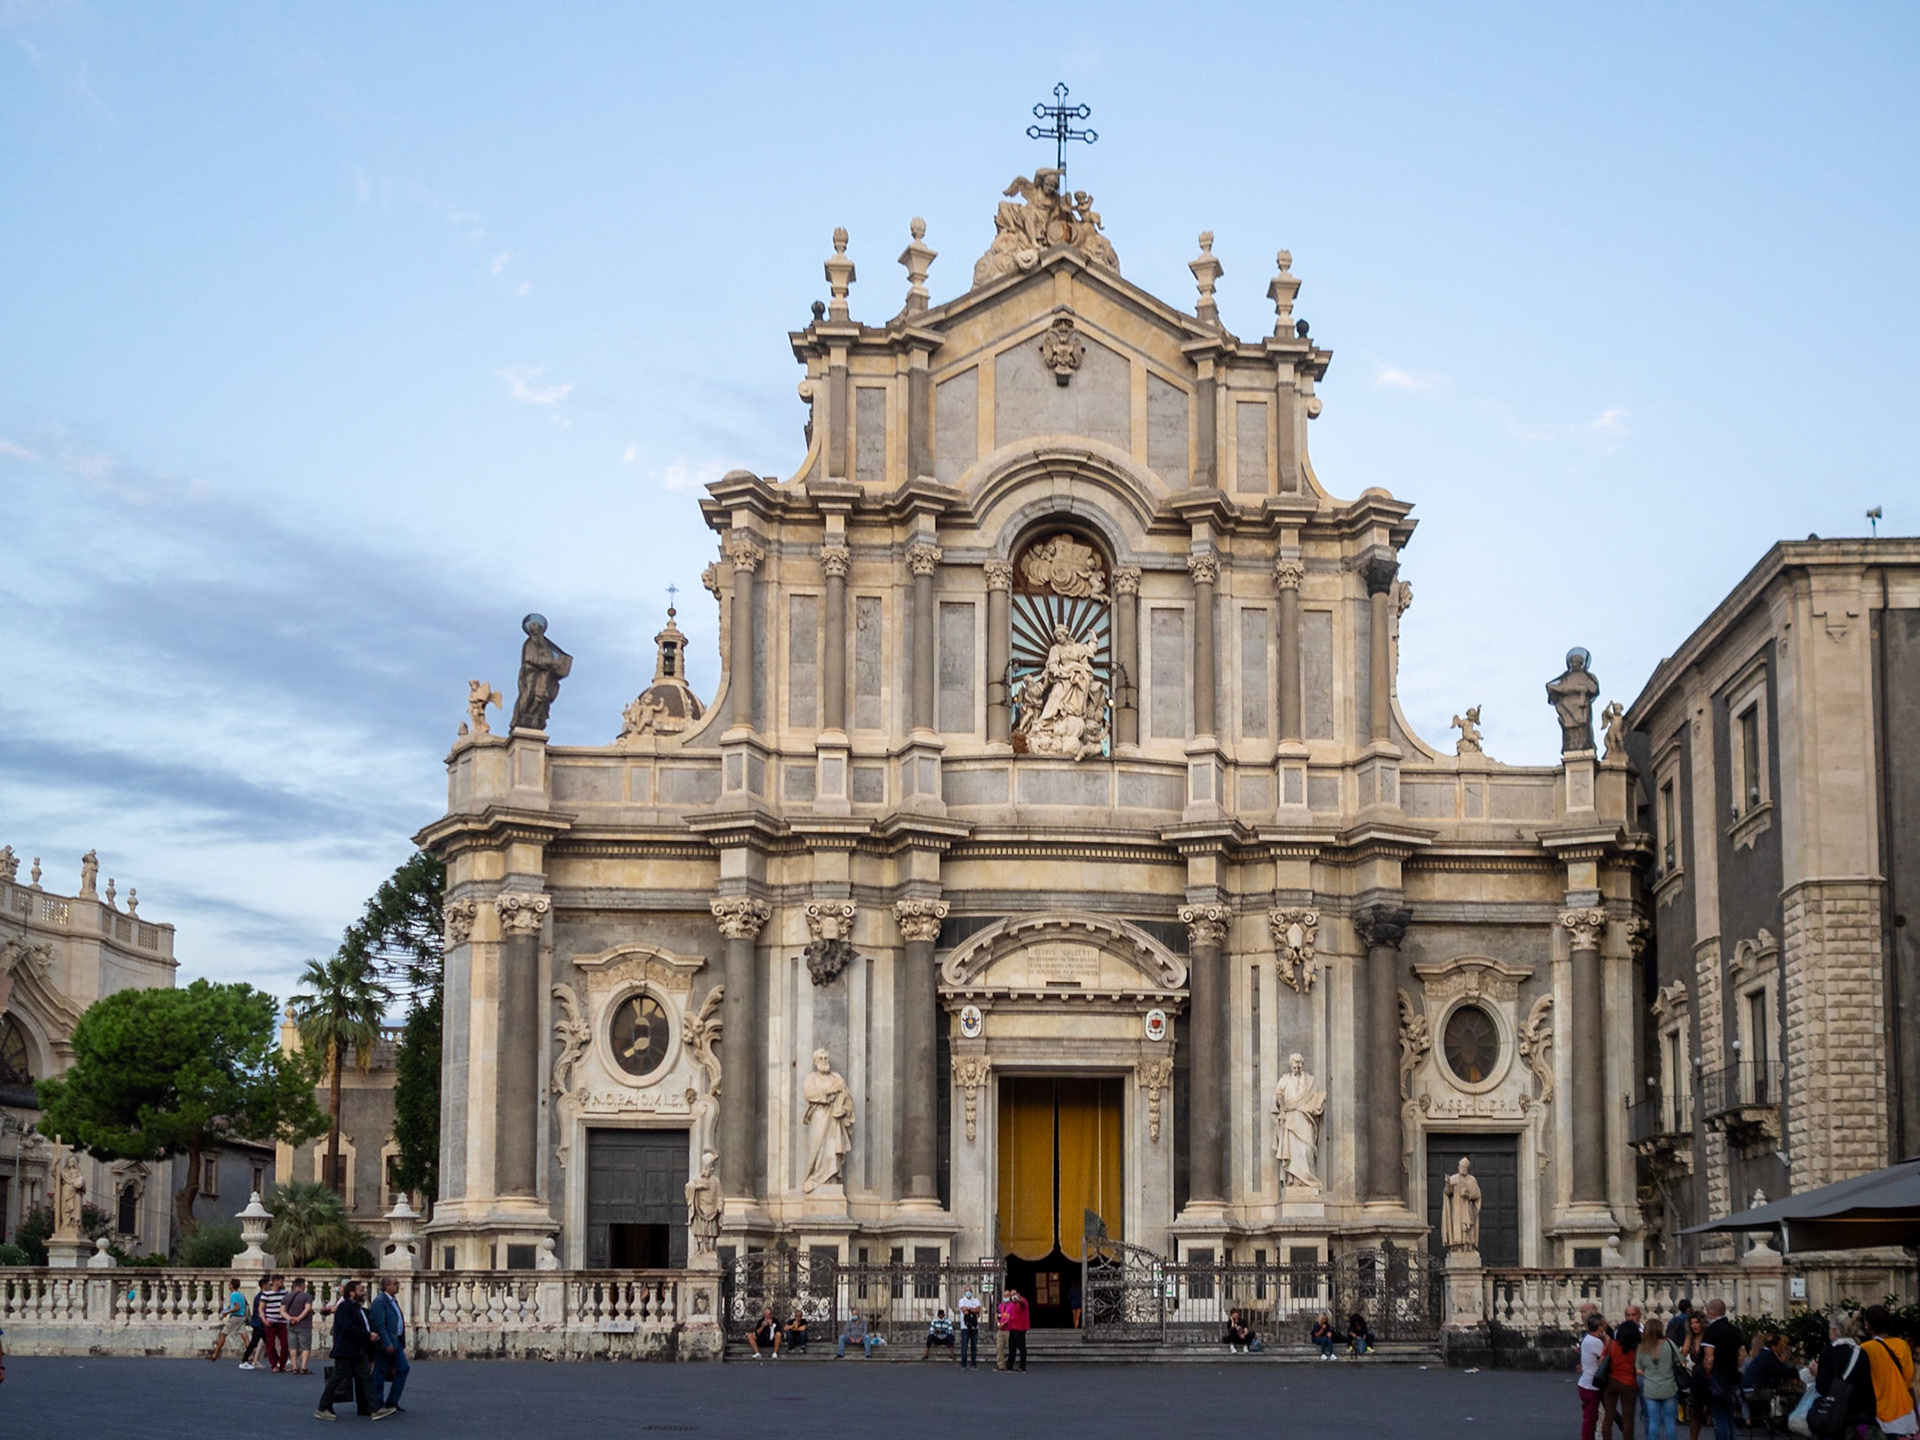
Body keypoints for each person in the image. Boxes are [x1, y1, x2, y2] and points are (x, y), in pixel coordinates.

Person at [315, 1279, 374, 1420]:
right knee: (337, 1378)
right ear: (352, 1293)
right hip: (346, 1350)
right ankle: (322, 1407)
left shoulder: (355, 1307)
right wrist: (367, 1335)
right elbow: (347, 1327)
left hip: (357, 1349)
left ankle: (375, 1407)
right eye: (361, 1290)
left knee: (366, 1377)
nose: (364, 1293)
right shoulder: (344, 1307)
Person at [1808, 1311, 1875, 1436]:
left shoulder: (1828, 1352)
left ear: (1834, 1330)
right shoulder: (1861, 1353)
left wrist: (1817, 1373)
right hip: (1858, 1415)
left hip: (1835, 1416)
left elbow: (1823, 1388)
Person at [1860, 1304, 1918, 1437]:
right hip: (1905, 1414)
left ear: (1867, 1325)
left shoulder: (1865, 1349)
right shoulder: (1902, 1345)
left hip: (1880, 1417)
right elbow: (1909, 1381)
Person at [1698, 1299, 1744, 1440]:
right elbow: (1743, 1353)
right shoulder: (1735, 1330)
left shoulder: (1711, 1331)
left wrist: (1707, 1374)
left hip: (1717, 1376)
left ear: (1711, 1313)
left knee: (1719, 1418)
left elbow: (1709, 1357)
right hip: (1732, 1376)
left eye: (1707, 1311)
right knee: (1729, 1415)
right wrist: (1735, 1366)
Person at [1740, 1331, 1800, 1431]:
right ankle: (1781, 1421)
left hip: (1748, 1389)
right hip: (1756, 1391)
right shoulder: (1768, 1356)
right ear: (1773, 1347)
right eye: (1780, 1346)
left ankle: (1771, 1421)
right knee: (1790, 1396)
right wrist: (1796, 1373)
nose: (1781, 1349)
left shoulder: (1763, 1355)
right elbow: (1782, 1370)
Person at [369, 1276, 409, 1419]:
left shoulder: (392, 1301)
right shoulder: (380, 1302)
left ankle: (392, 1400)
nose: (398, 1285)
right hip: (386, 1342)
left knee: (403, 1368)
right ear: (386, 1286)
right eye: (395, 1283)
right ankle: (377, 1403)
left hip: (395, 1340)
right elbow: (380, 1324)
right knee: (380, 1371)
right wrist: (386, 1343)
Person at [1638, 1317, 1684, 1440]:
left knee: (1654, 1421)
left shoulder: (1642, 1348)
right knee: (1670, 1421)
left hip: (1651, 1387)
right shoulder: (1669, 1344)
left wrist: (1648, 1372)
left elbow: (1638, 1369)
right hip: (1669, 1386)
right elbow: (1680, 1360)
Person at [1603, 1303, 1644, 1440]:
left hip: (1611, 1380)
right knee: (1628, 1418)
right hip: (1629, 1382)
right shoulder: (1637, 1347)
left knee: (1608, 1416)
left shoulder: (1612, 1344)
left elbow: (1602, 1359)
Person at [1578, 1312, 1609, 1440]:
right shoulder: (1596, 1342)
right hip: (1592, 1385)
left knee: (1591, 1416)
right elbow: (1604, 1358)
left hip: (1585, 1382)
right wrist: (1608, 1344)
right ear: (1600, 1327)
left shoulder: (1588, 1339)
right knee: (1591, 1418)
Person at [1682, 1313, 1712, 1440]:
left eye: (1697, 1322)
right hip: (1697, 1375)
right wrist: (1688, 1338)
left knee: (1712, 1408)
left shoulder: (1708, 1336)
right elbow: (1683, 1353)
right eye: (1692, 1323)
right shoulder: (1691, 1337)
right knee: (1695, 1411)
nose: (1694, 1326)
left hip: (1709, 1374)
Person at [210, 1278, 249, 1363]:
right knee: (245, 1336)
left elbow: (237, 1307)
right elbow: (245, 1304)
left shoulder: (233, 1295)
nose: (228, 1285)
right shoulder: (241, 1294)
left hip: (235, 1317)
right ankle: (249, 1354)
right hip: (242, 1317)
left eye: (229, 1284)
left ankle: (215, 1354)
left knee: (223, 1334)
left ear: (232, 1285)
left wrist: (227, 1312)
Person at [258, 1273, 290, 1374]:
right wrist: (264, 1319)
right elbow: (261, 1308)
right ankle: (274, 1365)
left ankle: (282, 1364)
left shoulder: (285, 1293)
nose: (282, 1283)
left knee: (285, 1344)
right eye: (280, 1281)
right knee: (270, 1345)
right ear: (275, 1282)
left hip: (282, 1321)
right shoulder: (266, 1294)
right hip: (271, 1321)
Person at [284, 1278, 315, 1375]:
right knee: (305, 1347)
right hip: (304, 1324)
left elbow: (282, 1310)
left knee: (293, 1346)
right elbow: (307, 1308)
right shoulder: (306, 1296)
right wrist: (299, 1318)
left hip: (291, 1324)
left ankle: (294, 1367)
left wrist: (290, 1318)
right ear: (302, 1285)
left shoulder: (287, 1296)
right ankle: (303, 1367)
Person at [238, 1280, 267, 1370]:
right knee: (255, 1343)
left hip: (258, 1323)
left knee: (266, 1343)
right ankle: (244, 1360)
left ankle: (278, 1360)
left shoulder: (260, 1296)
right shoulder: (262, 1297)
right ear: (264, 1285)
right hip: (260, 1323)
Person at [956, 1288, 982, 1370]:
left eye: (970, 1290)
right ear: (964, 1292)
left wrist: (969, 1309)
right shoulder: (962, 1300)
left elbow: (978, 1309)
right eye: (967, 1291)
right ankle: (963, 1364)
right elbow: (964, 1310)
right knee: (964, 1346)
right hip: (965, 1326)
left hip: (974, 1326)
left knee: (974, 1346)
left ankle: (973, 1364)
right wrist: (973, 1310)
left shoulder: (976, 1300)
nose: (968, 1292)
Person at [1005, 1288, 1030, 1371]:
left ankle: (1022, 1366)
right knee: (1012, 1347)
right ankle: (1009, 1365)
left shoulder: (1022, 1301)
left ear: (1018, 1294)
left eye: (1014, 1294)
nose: (1012, 1296)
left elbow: (1023, 1304)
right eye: (1011, 1295)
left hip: (1020, 1328)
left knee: (1022, 1347)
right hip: (1012, 1327)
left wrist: (1018, 1299)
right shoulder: (1011, 1303)